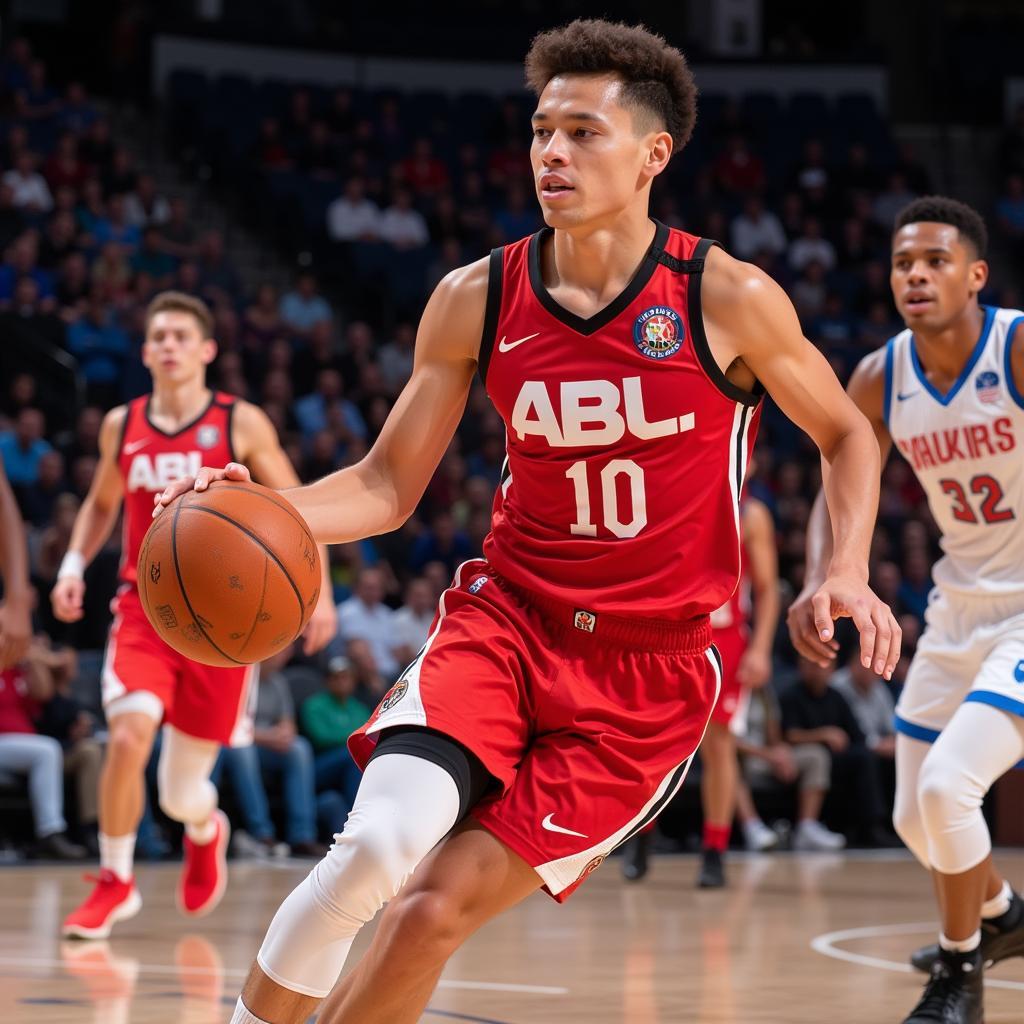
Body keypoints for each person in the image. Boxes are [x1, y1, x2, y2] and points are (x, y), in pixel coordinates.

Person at [158, 21, 899, 1024]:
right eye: (542, 129)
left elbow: (849, 435)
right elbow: (385, 484)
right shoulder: (477, 295)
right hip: (506, 624)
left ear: (651, 154)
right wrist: (249, 507)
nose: (551, 151)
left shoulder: (723, 296)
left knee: (429, 912)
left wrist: (843, 568)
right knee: (377, 847)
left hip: (647, 679)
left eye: (582, 132)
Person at [789, 196, 1024, 1024]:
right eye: (901, 264)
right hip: (958, 607)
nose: (916, 275)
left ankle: (961, 973)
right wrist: (825, 574)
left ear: (976, 275)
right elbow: (839, 472)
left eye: (934, 261)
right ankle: (1000, 914)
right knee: (912, 817)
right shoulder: (882, 373)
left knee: (950, 791)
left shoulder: (1017, 345)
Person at [53, 290, 337, 940]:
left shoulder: (241, 422)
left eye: (182, 335)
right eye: (159, 336)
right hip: (145, 609)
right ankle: (116, 880)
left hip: (222, 629)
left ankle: (205, 829)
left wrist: (318, 593)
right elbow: (101, 504)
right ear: (147, 351)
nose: (170, 345)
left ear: (207, 349)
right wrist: (73, 564)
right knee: (127, 736)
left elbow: (301, 503)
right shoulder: (121, 425)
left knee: (183, 793)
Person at [619, 493, 780, 886]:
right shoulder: (675, 492)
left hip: (725, 637)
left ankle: (715, 850)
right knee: (651, 744)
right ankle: (640, 835)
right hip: (668, 630)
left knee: (718, 745)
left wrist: (760, 648)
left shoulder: (751, 513)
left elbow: (769, 588)